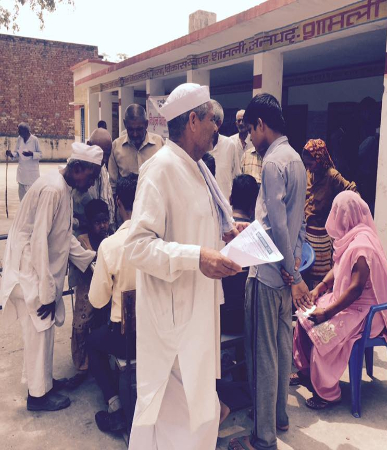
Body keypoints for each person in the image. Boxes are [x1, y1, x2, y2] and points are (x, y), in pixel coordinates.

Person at [124, 83, 241, 450]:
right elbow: (138, 247)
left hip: (199, 316)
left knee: (200, 412)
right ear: (192, 121)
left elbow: (196, 227)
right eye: (211, 121)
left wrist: (229, 234)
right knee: (174, 419)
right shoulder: (160, 169)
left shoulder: (198, 169)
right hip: (173, 324)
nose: (216, 128)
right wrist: (197, 257)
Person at [228, 93, 308, 450]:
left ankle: (263, 437)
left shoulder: (274, 162)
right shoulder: (296, 159)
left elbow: (277, 225)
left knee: (262, 356)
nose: (249, 139)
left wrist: (293, 275)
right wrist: (295, 266)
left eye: (249, 130)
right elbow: (297, 222)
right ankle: (278, 416)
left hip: (267, 275)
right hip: (284, 275)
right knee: (280, 349)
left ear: (261, 124)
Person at [0, 143, 101, 411]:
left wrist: (92, 260)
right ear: (77, 169)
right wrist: (46, 292)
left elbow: (64, 236)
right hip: (29, 269)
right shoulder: (53, 189)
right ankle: (37, 397)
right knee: (39, 330)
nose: (92, 184)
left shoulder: (64, 188)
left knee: (45, 331)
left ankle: (45, 384)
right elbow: (38, 242)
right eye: (91, 176)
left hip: (39, 270)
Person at [291, 191, 387, 408]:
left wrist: (327, 312)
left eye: (337, 212)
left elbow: (356, 289)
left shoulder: (362, 245)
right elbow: (339, 267)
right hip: (348, 302)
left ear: (345, 215)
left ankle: (328, 394)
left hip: (365, 312)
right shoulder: (351, 237)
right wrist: (320, 288)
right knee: (303, 320)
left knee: (322, 334)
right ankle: (306, 372)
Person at [87, 174, 138, 432]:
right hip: (159, 332)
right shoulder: (162, 238)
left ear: (118, 202)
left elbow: (98, 300)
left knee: (93, 342)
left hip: (126, 339)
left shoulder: (110, 245)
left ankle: (115, 404)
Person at [67, 199, 110, 389]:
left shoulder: (111, 238)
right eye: (97, 222)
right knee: (81, 326)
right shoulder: (81, 241)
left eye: (105, 221)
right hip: (87, 290)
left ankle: (100, 360)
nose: (102, 226)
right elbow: (83, 264)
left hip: (106, 289)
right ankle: (82, 368)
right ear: (89, 222)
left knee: (103, 324)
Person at [302, 139, 357, 288]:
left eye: (311, 164)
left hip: (323, 237)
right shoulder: (308, 174)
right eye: (306, 164)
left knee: (321, 278)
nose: (308, 168)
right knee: (306, 273)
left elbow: (351, 192)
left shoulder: (332, 176)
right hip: (307, 233)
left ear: (319, 160)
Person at [221, 174, 260, 335]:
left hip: (219, 314)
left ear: (230, 199)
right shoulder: (257, 236)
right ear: (255, 204)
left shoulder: (219, 230)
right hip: (246, 318)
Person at [108, 103, 164, 194]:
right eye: (130, 129)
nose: (135, 134)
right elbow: (112, 185)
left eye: (139, 129)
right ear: (125, 124)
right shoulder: (116, 147)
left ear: (146, 124)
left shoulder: (159, 144)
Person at [73, 128, 115, 236]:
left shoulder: (102, 169)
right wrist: (80, 223)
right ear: (89, 145)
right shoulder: (77, 172)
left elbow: (107, 202)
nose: (104, 159)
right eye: (100, 153)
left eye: (107, 155)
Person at [209, 100, 241, 201]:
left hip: (225, 205)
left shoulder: (229, 145)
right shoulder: (196, 146)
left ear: (218, 124)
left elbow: (236, 177)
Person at [6, 123, 42, 201]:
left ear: (26, 131)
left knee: (32, 201)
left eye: (20, 131)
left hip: (32, 176)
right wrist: (11, 154)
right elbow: (16, 153)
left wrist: (31, 154)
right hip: (22, 175)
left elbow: (40, 155)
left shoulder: (34, 140)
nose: (18, 133)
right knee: (22, 200)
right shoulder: (19, 139)